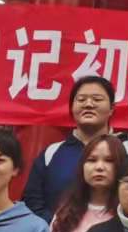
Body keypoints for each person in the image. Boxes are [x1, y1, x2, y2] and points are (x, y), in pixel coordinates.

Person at [24, 76, 118, 221]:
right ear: (71, 108)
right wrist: (58, 228)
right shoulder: (51, 153)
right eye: (81, 99)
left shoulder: (126, 151)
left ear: (111, 108)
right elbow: (33, 202)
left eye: (97, 99)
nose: (88, 104)